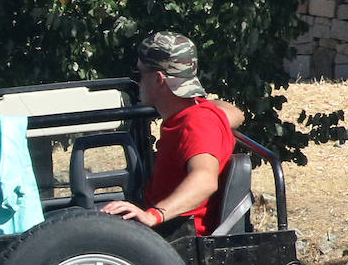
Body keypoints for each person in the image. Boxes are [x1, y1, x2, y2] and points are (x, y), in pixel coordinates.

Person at [101, 31, 245, 237]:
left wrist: (154, 215)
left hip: (175, 238)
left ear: (159, 79)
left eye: (139, 75)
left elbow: (205, 179)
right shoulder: (198, 113)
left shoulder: (197, 123)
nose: (138, 83)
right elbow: (235, 113)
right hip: (167, 233)